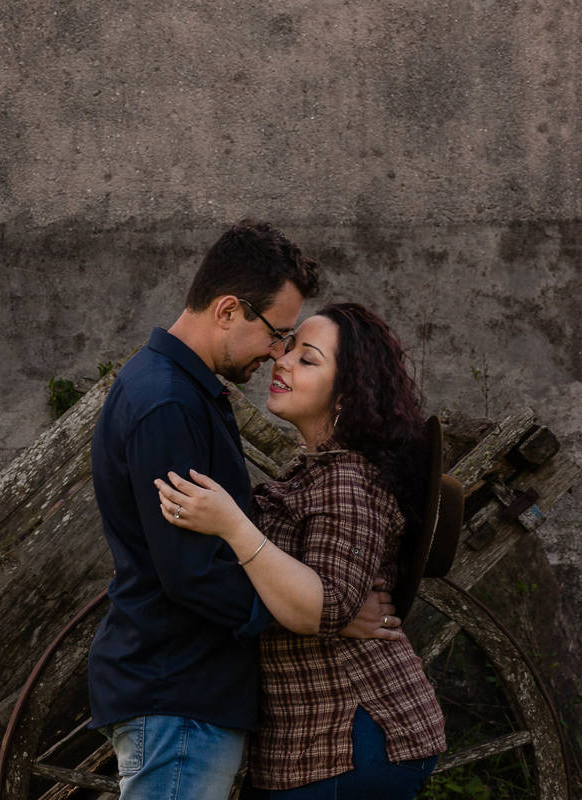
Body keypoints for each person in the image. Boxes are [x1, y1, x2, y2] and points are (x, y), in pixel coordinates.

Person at [87, 221, 399, 800]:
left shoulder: (184, 392)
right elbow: (192, 571)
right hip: (178, 692)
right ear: (229, 310)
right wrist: (319, 613)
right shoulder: (168, 404)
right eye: (278, 334)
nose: (278, 353)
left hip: (185, 690)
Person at [155, 303, 446, 798]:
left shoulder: (347, 482)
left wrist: (231, 523)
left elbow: (326, 605)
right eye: (285, 350)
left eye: (307, 360)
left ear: (347, 395)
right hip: (311, 741)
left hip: (352, 739)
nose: (281, 362)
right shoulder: (313, 473)